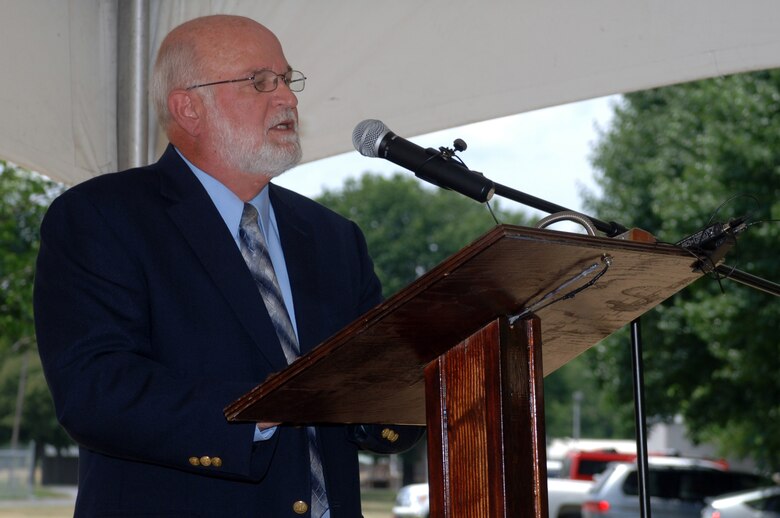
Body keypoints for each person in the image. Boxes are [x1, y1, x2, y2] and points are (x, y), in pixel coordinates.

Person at [34, 14, 421, 517]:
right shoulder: (102, 218)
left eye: (286, 79)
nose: (287, 98)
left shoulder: (333, 237)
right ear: (188, 107)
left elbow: (381, 388)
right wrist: (261, 407)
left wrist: (411, 379)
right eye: (259, 81)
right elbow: (96, 391)